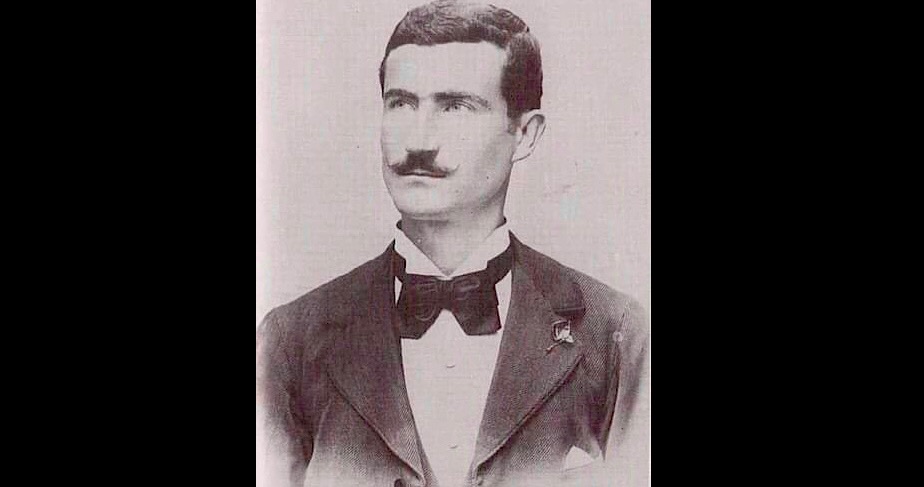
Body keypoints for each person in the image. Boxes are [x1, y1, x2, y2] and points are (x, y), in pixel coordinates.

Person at [256, 1, 649, 486]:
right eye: (401, 103)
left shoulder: (615, 334)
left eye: (455, 106)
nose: (418, 141)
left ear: (525, 135)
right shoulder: (290, 341)